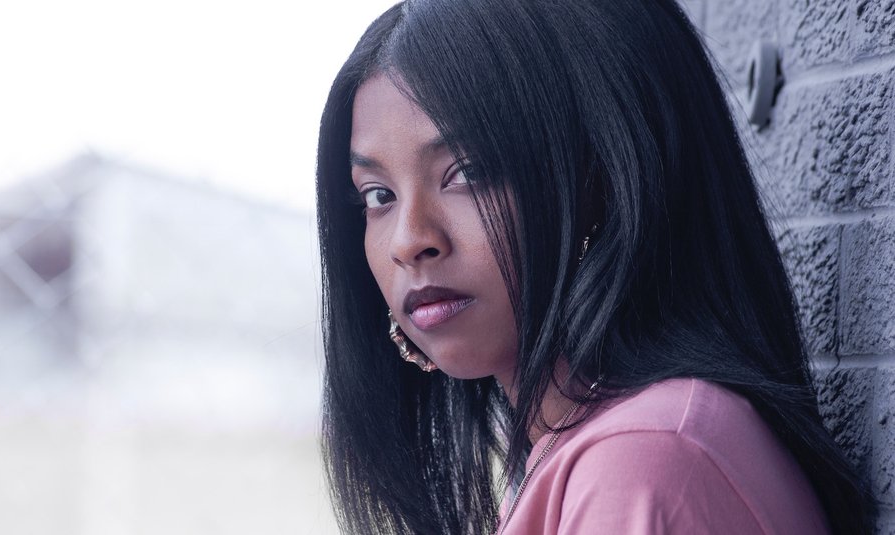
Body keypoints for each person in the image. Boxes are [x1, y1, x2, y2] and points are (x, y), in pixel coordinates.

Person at [314, 0, 875, 533]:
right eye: (378, 195)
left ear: (604, 181)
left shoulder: (641, 459)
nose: (410, 240)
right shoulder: (581, 454)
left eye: (469, 171)